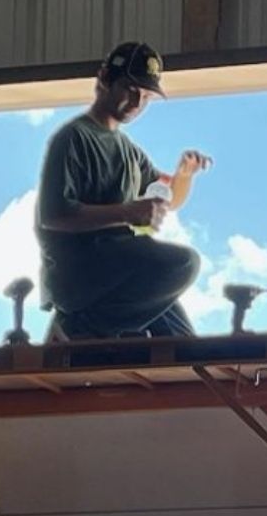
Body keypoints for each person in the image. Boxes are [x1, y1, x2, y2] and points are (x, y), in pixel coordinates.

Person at [35, 40, 213, 339]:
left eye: (145, 96)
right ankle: (79, 329)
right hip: (84, 272)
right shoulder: (73, 138)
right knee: (183, 264)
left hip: (122, 271)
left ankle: (112, 332)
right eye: (130, 90)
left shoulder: (131, 153)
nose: (136, 102)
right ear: (105, 79)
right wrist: (128, 213)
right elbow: (54, 215)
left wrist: (184, 176)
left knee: (184, 346)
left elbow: (167, 201)